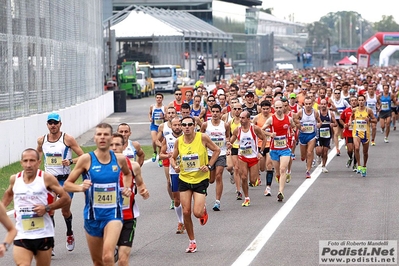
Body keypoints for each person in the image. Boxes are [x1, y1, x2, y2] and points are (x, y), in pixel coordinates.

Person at [63, 123, 137, 266]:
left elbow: (128, 174)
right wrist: (80, 187)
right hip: (92, 217)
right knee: (98, 262)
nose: (102, 137)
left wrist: (127, 187)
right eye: (99, 134)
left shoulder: (119, 159)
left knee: (108, 256)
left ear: (111, 137)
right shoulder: (86, 159)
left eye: (106, 134)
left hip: (113, 215)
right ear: (94, 138)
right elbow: (67, 184)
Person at [2, 148, 70, 266]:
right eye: (26, 161)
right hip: (22, 234)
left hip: (43, 234)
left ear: (38, 162)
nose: (29, 164)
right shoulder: (15, 179)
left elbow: (66, 198)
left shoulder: (46, 178)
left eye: (32, 161)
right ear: (21, 163)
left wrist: (47, 208)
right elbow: (8, 194)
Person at [170, 116, 220, 253]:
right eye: (184, 124)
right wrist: (175, 167)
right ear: (180, 126)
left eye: (189, 124)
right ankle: (192, 241)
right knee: (186, 212)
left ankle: (202, 210)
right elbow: (172, 158)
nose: (186, 127)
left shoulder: (202, 137)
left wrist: (209, 166)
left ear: (194, 126)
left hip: (200, 179)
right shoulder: (178, 141)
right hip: (185, 179)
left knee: (196, 213)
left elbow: (217, 150)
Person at [36, 112, 84, 252]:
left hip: (65, 180)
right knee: (49, 211)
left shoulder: (67, 139)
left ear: (60, 124)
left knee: (64, 211)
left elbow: (83, 156)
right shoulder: (41, 140)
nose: (53, 126)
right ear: (47, 125)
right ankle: (50, 242)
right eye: (50, 123)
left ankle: (69, 233)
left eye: (55, 123)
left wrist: (70, 161)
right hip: (50, 181)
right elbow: (38, 154)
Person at [110, 133, 149, 266]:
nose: (114, 148)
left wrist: (143, 190)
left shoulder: (133, 166)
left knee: (123, 258)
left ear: (123, 146)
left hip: (128, 216)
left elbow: (140, 184)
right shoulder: (99, 168)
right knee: (106, 258)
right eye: (111, 145)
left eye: (117, 145)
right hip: (107, 217)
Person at [228, 110, 266, 207]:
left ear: (248, 119)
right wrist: (229, 145)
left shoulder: (255, 129)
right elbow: (231, 141)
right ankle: (247, 198)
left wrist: (260, 152)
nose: (241, 120)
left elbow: (264, 138)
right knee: (244, 177)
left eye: (243, 118)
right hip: (242, 157)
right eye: (240, 118)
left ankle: (256, 179)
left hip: (253, 157)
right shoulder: (238, 130)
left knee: (252, 181)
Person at [261, 100, 296, 202]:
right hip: (274, 149)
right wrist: (270, 134)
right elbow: (261, 130)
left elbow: (293, 126)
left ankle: (280, 192)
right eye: (277, 108)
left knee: (283, 168)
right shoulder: (271, 119)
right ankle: (279, 177)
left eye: (280, 107)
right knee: (277, 172)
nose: (279, 109)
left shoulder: (288, 119)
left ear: (283, 108)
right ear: (274, 108)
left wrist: (292, 132)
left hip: (285, 148)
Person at [200, 104, 229, 211]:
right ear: (210, 113)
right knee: (210, 180)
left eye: (217, 111)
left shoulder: (225, 125)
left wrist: (228, 143)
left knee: (218, 175)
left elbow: (227, 136)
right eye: (213, 112)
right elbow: (200, 138)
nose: (215, 114)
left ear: (221, 113)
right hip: (208, 154)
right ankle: (203, 193)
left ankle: (217, 201)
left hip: (221, 153)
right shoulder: (205, 125)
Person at [159, 117, 185, 233]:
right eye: (175, 125)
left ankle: (200, 206)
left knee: (190, 195)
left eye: (179, 124)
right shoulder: (167, 138)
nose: (177, 127)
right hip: (174, 171)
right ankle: (181, 222)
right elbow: (161, 155)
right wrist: (168, 156)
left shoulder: (188, 136)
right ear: (171, 126)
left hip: (189, 171)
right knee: (177, 199)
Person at [294, 96, 322, 178]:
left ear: (312, 104)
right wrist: (300, 127)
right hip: (303, 135)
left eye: (310, 104)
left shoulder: (315, 112)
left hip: (312, 135)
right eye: (306, 104)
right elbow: (295, 120)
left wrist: (319, 125)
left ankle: (308, 170)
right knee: (303, 156)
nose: (308, 105)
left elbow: (320, 122)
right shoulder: (300, 112)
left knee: (309, 152)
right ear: (304, 104)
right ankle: (305, 159)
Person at [350, 95, 377, 177]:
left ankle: (364, 166)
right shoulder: (354, 110)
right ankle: (359, 165)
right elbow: (351, 118)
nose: (361, 102)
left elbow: (375, 120)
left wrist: (370, 120)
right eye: (359, 100)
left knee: (365, 152)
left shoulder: (368, 110)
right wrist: (351, 123)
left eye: (362, 100)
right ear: (358, 101)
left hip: (365, 133)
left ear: (365, 101)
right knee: (357, 147)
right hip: (356, 132)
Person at [315, 99, 337, 173]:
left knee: (325, 152)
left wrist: (333, 124)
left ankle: (324, 166)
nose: (323, 105)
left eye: (325, 104)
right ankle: (318, 156)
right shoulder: (317, 113)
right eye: (322, 104)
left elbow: (336, 123)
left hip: (327, 135)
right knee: (319, 151)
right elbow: (313, 123)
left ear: (327, 105)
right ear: (320, 105)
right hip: (318, 135)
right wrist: (316, 125)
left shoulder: (330, 113)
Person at [340, 96, 358, 171]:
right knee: (350, 150)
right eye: (352, 101)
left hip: (357, 133)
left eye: (355, 100)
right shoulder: (346, 111)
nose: (353, 102)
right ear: (350, 102)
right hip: (348, 133)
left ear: (357, 102)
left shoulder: (359, 111)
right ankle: (350, 158)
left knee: (356, 149)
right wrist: (344, 124)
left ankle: (355, 165)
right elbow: (341, 119)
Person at [149, 93, 166, 163]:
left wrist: (164, 117)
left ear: (162, 99)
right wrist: (150, 118)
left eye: (160, 98)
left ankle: (160, 158)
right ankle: (155, 152)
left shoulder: (164, 108)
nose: (158, 99)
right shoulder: (152, 107)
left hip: (161, 127)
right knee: (154, 140)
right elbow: (149, 113)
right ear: (155, 98)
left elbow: (167, 117)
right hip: (154, 125)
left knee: (159, 142)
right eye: (157, 98)